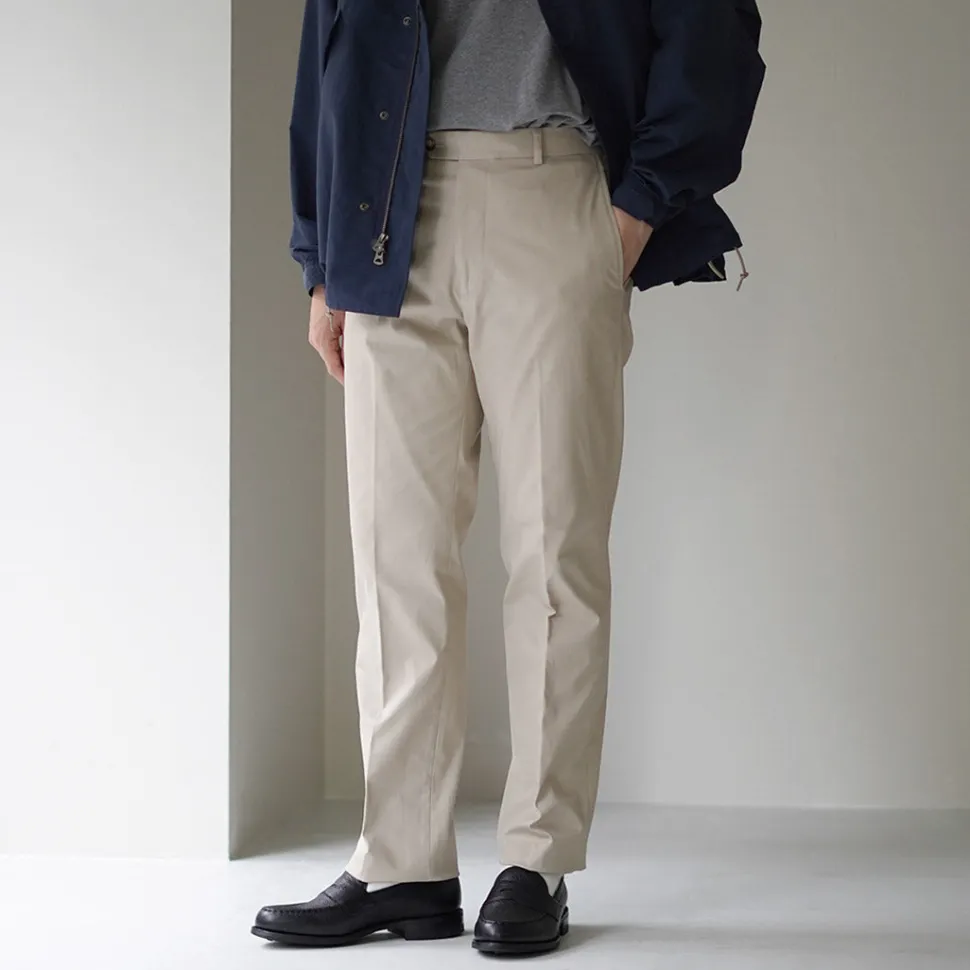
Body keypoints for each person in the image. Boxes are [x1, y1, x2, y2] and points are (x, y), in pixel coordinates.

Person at [252, 0, 764, 957]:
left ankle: (538, 856)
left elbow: (713, 29)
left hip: (550, 184)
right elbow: (330, 40)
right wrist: (320, 258)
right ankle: (401, 863)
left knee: (553, 548)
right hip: (381, 207)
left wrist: (636, 208)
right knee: (395, 559)